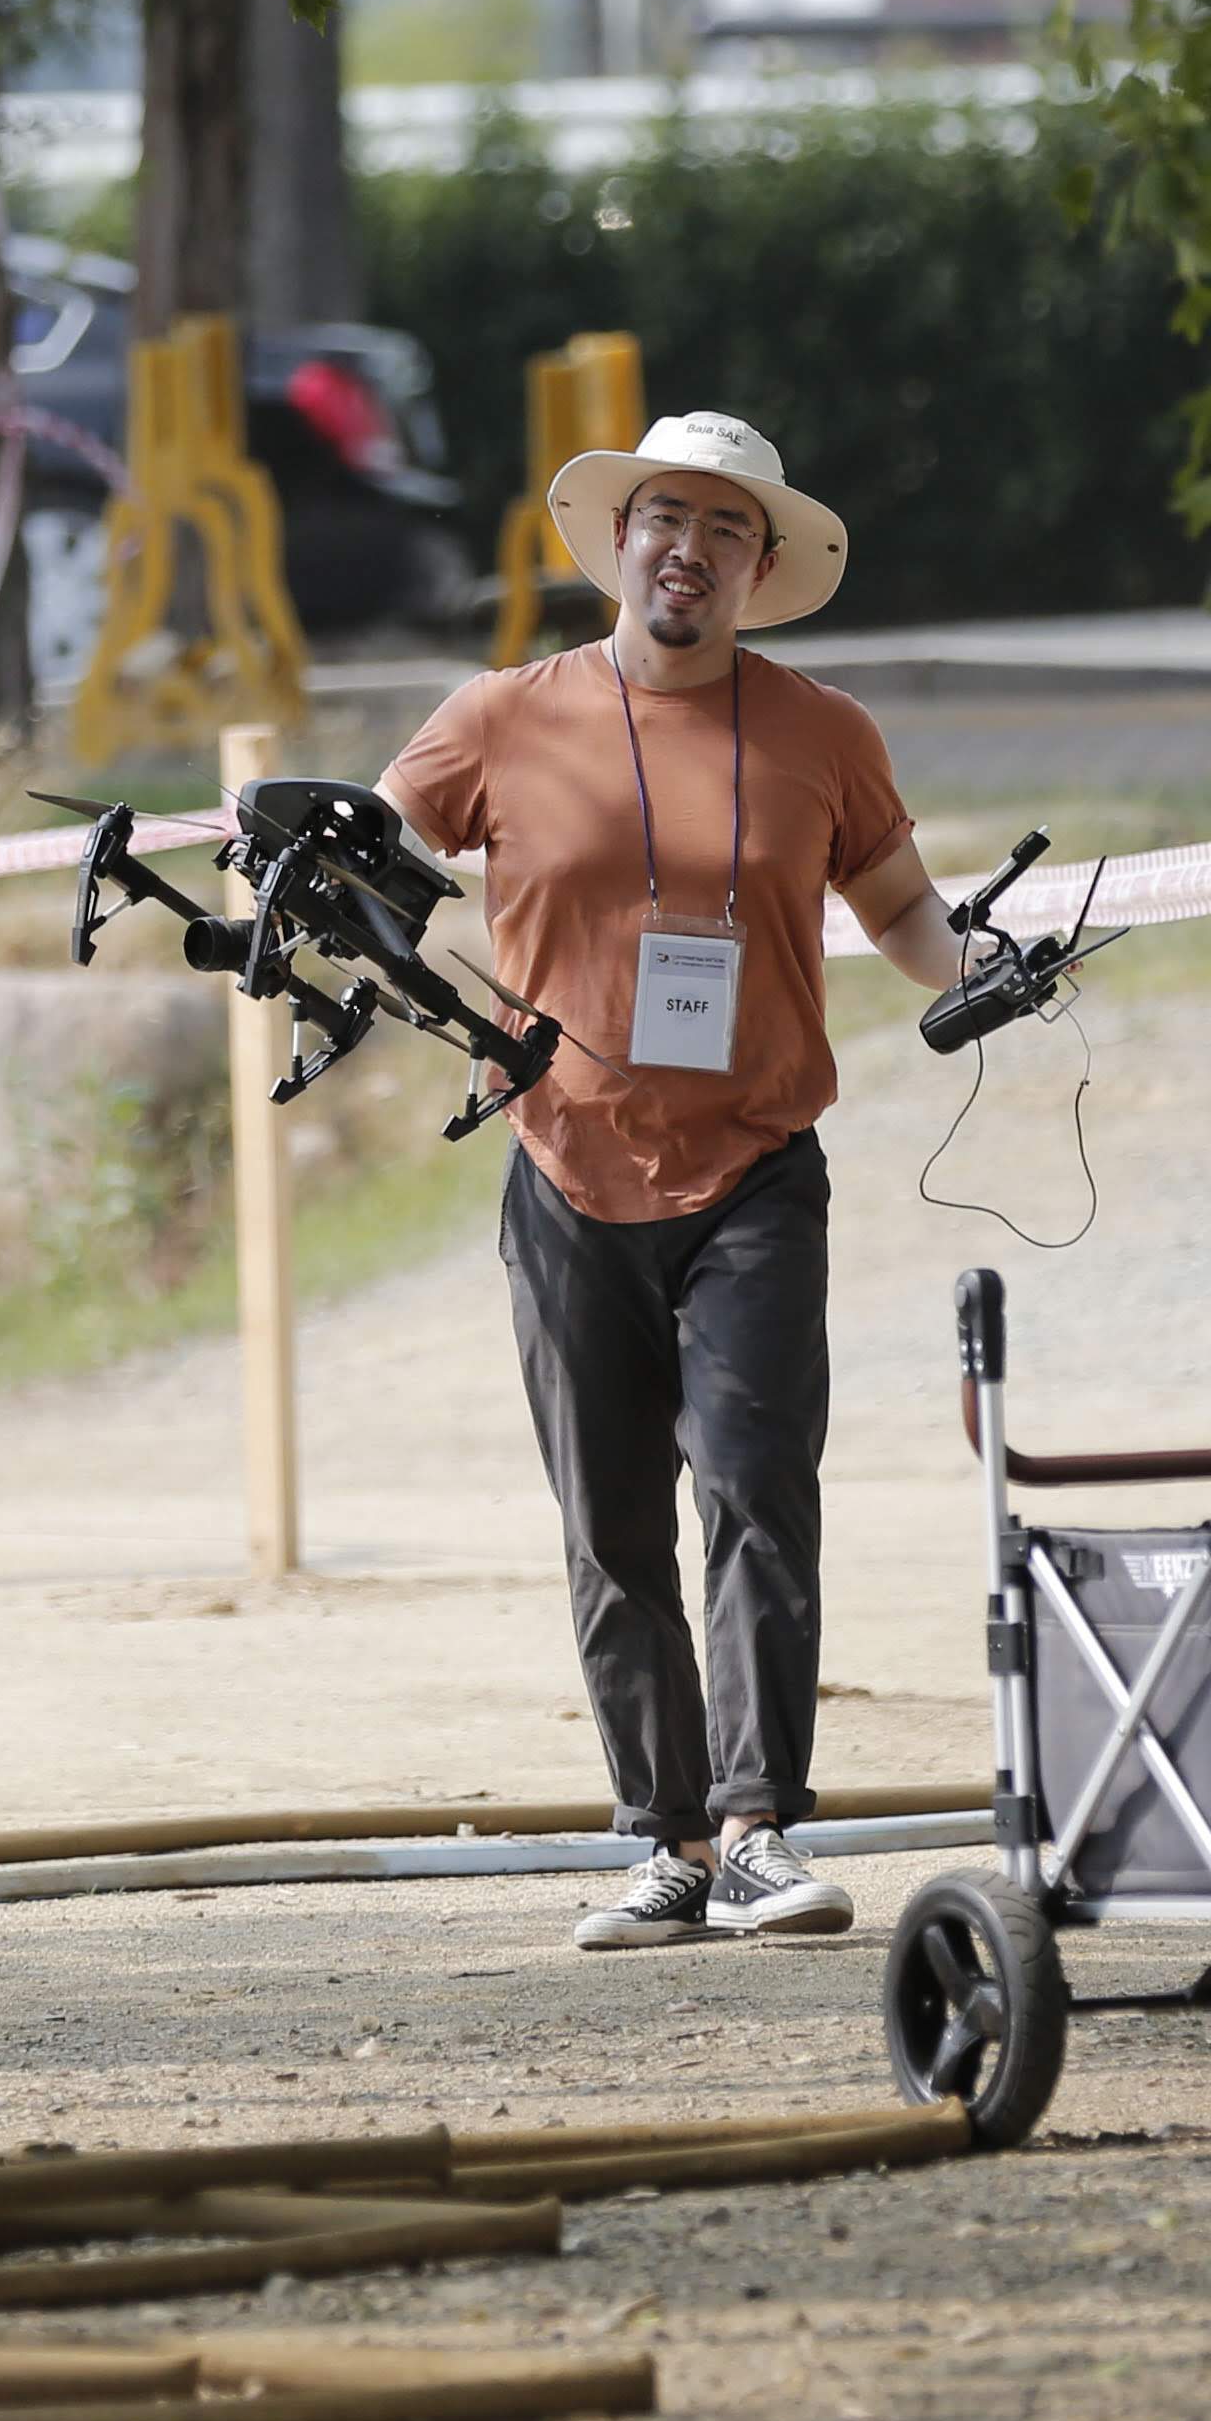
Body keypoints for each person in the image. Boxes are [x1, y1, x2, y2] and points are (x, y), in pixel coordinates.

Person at [376, 411, 970, 1948]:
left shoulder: (822, 733)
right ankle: (669, 1843)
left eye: (723, 529)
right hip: (564, 1170)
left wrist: (982, 972)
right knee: (613, 1520)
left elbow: (906, 909)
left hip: (757, 1170)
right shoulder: (501, 716)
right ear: (617, 546)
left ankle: (764, 1829)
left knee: (760, 1492)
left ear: (760, 566)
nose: (687, 551)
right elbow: (377, 857)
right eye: (662, 521)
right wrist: (313, 882)